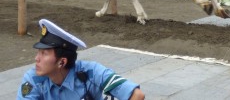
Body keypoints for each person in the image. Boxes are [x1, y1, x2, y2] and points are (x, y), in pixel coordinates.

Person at [17, 19, 145, 100]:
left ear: (62, 62)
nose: (36, 58)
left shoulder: (91, 72)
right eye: (38, 52)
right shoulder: (33, 79)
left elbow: (137, 96)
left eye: (44, 53)